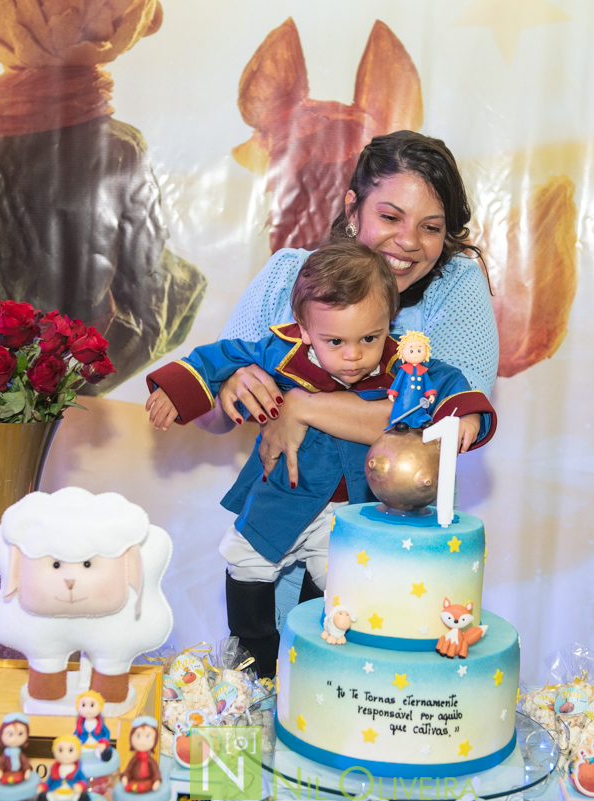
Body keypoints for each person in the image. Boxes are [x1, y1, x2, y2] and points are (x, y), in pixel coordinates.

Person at [195, 129, 499, 662]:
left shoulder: (458, 288)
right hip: (278, 536)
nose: (409, 241)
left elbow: (427, 431)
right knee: (270, 677)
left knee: (357, 693)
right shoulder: (290, 274)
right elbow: (212, 422)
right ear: (352, 208)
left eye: (431, 227)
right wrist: (230, 390)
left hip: (387, 561)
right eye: (390, 217)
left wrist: (299, 405)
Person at [147, 242, 496, 676]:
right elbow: (219, 356)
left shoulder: (405, 362)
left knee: (334, 587)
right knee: (246, 560)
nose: (353, 355)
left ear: (389, 322)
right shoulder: (282, 353)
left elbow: (448, 382)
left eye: (369, 337)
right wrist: (175, 390)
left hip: (353, 509)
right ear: (305, 329)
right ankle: (255, 661)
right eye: (335, 341)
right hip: (285, 493)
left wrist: (464, 415)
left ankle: (308, 662)